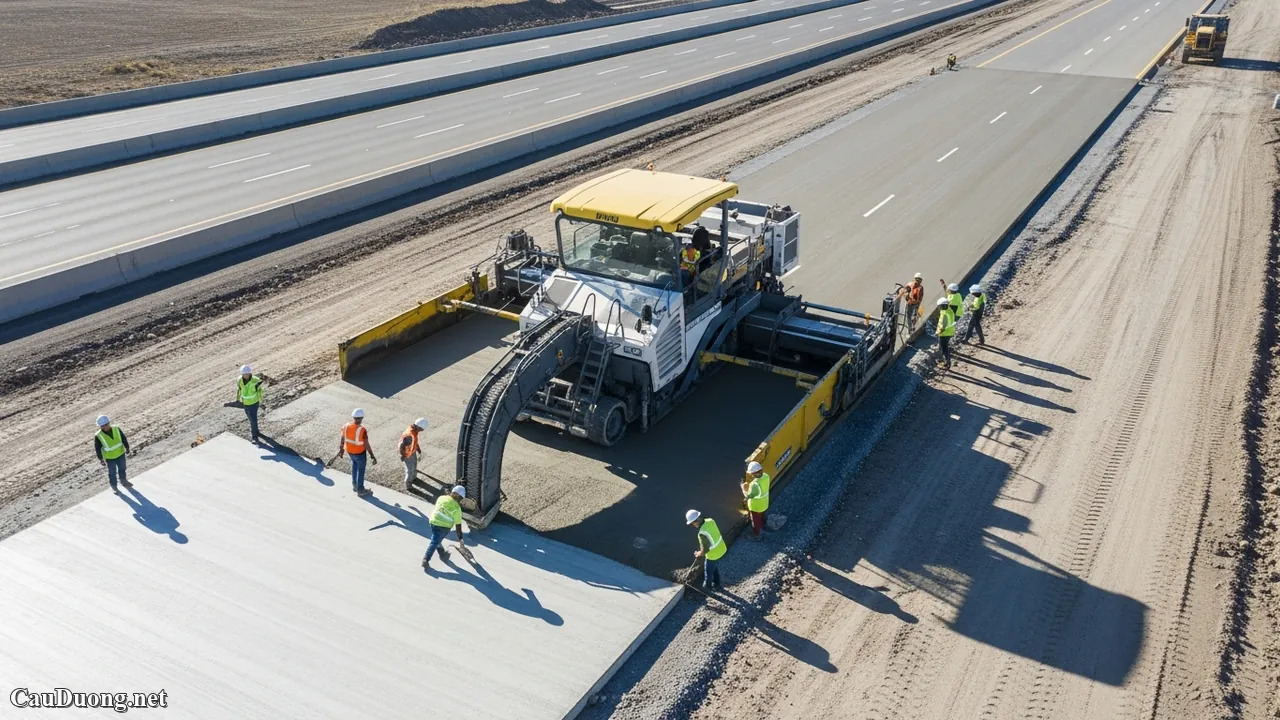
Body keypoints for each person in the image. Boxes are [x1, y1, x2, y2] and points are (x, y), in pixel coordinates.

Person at [423, 485, 468, 570]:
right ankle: (426, 559)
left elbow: (441, 504)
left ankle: (442, 554)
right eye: (461, 498)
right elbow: (458, 527)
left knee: (436, 538)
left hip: (433, 522)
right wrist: (460, 539)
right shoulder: (457, 509)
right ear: (458, 496)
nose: (460, 500)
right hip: (444, 527)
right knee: (434, 542)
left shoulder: (441, 498)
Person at [337, 408, 377, 496]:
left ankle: (355, 485)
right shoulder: (362, 430)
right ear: (362, 418)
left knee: (354, 466)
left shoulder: (345, 426)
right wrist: (372, 455)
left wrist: (341, 449)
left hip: (350, 451)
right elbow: (366, 444)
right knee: (361, 470)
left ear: (353, 417)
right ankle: (360, 490)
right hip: (360, 453)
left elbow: (342, 438)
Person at [686, 509, 726, 591]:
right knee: (714, 567)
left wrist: (698, 554)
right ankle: (717, 584)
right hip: (722, 548)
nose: (692, 525)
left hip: (713, 554)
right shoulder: (710, 520)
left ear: (695, 521)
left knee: (708, 571)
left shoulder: (702, 533)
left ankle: (707, 587)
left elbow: (705, 550)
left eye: (692, 523)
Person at [93, 415, 133, 493]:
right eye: (102, 426)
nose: (105, 427)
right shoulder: (98, 435)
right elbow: (97, 448)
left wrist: (127, 447)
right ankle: (114, 486)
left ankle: (124, 481)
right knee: (112, 473)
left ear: (109, 423)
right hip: (110, 458)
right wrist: (101, 459)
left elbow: (123, 438)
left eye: (106, 424)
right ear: (100, 426)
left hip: (120, 453)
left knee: (122, 469)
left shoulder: (116, 429)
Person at [234, 364, 271, 444]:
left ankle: (255, 437)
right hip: (245, 403)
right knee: (251, 419)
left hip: (254, 403)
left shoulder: (256, 380)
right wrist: (237, 399)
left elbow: (260, 392)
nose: (246, 376)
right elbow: (239, 390)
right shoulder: (239, 380)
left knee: (253, 420)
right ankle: (256, 431)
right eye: (244, 374)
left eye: (247, 374)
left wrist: (261, 402)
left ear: (250, 373)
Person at [741, 461, 770, 539]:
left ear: (753, 473)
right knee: (762, 516)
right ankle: (764, 525)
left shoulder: (754, 484)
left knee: (755, 521)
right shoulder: (766, 476)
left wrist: (743, 488)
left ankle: (756, 535)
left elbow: (749, 496)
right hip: (764, 503)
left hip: (756, 507)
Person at [399, 417, 428, 491]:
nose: (421, 431)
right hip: (407, 455)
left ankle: (414, 477)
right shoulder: (409, 434)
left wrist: (418, 449)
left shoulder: (414, 430)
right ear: (418, 427)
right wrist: (403, 455)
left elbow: (414, 441)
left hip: (412, 451)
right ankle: (408, 484)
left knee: (414, 464)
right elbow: (401, 446)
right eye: (421, 429)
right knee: (410, 469)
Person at [935, 297, 956, 370]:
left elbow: (944, 325)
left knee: (944, 348)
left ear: (943, 306)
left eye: (940, 306)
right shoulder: (949, 311)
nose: (939, 308)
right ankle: (942, 358)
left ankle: (947, 362)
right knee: (943, 346)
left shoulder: (945, 314)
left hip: (944, 334)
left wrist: (938, 332)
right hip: (950, 332)